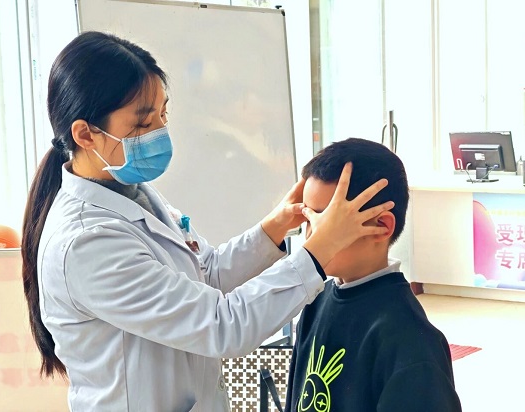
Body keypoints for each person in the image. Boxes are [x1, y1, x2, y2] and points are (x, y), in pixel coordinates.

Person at [20, 31, 394, 412]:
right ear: (85, 134)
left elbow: (206, 274)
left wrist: (274, 228)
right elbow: (222, 325)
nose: (159, 132)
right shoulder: (85, 243)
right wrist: (316, 253)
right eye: (143, 124)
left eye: (163, 114)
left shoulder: (133, 192)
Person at [284, 138, 462, 412]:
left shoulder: (411, 343)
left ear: (382, 226)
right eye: (308, 220)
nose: (310, 236)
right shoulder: (315, 300)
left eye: (327, 222)